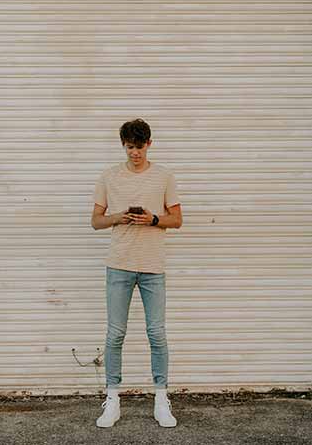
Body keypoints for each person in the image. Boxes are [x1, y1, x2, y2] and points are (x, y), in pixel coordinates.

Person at [90, 118, 183, 428]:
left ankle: (161, 398)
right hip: (119, 264)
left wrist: (153, 219)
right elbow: (96, 221)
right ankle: (113, 399)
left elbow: (177, 219)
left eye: (139, 147)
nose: (135, 153)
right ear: (123, 146)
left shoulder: (164, 176)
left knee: (157, 334)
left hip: (153, 266)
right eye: (130, 147)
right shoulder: (108, 176)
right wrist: (120, 217)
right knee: (115, 334)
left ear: (149, 144)